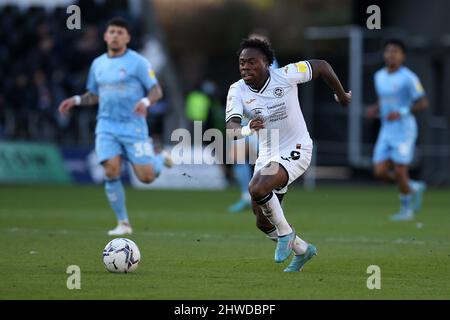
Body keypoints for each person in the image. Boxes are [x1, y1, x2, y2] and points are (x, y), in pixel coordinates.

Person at [226, 38, 351, 272]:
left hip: (297, 148)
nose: (246, 67)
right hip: (268, 155)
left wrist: (342, 95)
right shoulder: (237, 90)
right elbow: (231, 127)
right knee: (262, 221)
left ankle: (286, 234)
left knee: (257, 188)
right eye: (242, 63)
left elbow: (322, 65)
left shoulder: (286, 74)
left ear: (266, 63)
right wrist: (246, 128)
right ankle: (303, 250)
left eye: (252, 62)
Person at [58, 17, 172, 236]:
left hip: (133, 126)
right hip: (106, 126)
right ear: (105, 36)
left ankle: (159, 157)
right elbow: (95, 95)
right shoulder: (98, 64)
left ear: (127, 37)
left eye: (120, 32)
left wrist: (146, 102)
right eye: (112, 32)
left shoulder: (139, 62)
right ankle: (123, 223)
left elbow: (156, 90)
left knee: (147, 177)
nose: (115, 35)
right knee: (111, 170)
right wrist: (77, 100)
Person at [367, 39, 428, 221]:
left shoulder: (409, 77)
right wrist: (375, 108)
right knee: (379, 172)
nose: (391, 54)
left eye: (395, 51)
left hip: (404, 130)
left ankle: (406, 209)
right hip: (386, 130)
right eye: (388, 51)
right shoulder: (379, 76)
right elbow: (385, 99)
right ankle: (412, 186)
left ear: (403, 56)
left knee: (400, 170)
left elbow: (423, 102)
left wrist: (401, 112)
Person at [227, 31, 278, 213]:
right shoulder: (246, 68)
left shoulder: (274, 70)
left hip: (265, 125)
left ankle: (269, 198)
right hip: (248, 123)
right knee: (238, 157)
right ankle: (245, 195)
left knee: (264, 163)